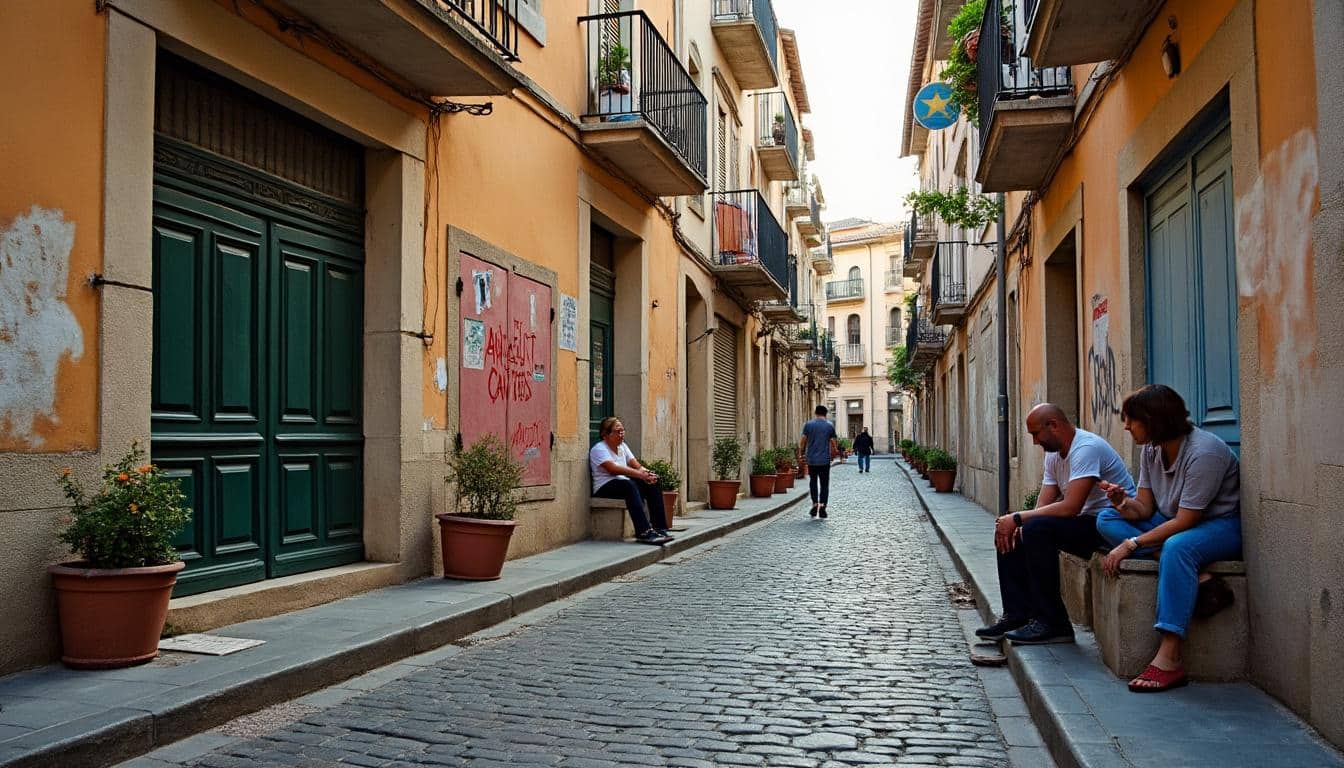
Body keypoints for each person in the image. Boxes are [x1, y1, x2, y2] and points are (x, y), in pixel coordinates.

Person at [1095, 384, 1241, 693]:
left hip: (1218, 526)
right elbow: (1145, 508)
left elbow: (1187, 521)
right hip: (1173, 521)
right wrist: (1122, 503)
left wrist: (1132, 544)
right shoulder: (1152, 449)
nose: (1126, 426)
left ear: (1152, 419)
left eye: (1131, 420)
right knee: (1106, 518)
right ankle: (1188, 571)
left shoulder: (1205, 453)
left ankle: (1170, 656)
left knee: (1177, 546)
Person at [976, 403, 1137, 645]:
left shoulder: (1086, 448)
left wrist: (1020, 518)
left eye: (1035, 434)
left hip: (1111, 524)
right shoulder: (1053, 455)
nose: (1034, 441)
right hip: (1084, 521)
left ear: (1053, 425)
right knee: (1013, 532)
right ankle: (1017, 615)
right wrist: (1015, 524)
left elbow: (1071, 506)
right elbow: (1045, 502)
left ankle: (1053, 623)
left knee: (1035, 529)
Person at [590, 417, 673, 545]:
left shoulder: (622, 446)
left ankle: (659, 529)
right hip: (604, 487)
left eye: (623, 430)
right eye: (618, 431)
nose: (621, 434)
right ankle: (644, 532)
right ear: (605, 434)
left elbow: (637, 466)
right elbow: (613, 470)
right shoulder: (599, 449)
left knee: (652, 483)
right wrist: (640, 475)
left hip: (623, 483)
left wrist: (648, 474)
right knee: (629, 485)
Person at [799, 405, 839, 518]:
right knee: (824, 484)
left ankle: (814, 503)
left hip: (812, 459)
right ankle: (822, 506)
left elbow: (803, 441)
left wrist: (801, 453)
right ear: (825, 414)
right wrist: (834, 453)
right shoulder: (829, 426)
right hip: (824, 460)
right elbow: (833, 442)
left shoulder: (808, 425)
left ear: (815, 413)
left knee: (813, 482)